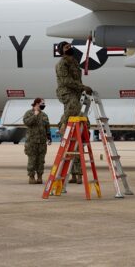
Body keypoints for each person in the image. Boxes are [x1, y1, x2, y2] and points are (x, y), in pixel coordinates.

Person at [55, 41, 92, 184]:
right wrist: (83, 87)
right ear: (61, 51)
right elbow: (66, 81)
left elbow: (77, 79)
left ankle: (72, 126)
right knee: (73, 106)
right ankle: (63, 125)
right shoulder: (61, 64)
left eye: (70, 46)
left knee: (79, 115)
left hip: (76, 92)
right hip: (66, 91)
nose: (69, 48)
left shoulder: (75, 62)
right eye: (66, 47)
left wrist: (81, 88)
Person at [23, 97, 51, 184]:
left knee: (41, 160)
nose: (43, 105)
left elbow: (47, 127)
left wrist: (49, 136)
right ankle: (31, 177)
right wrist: (34, 115)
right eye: (42, 103)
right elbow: (27, 122)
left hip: (42, 142)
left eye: (44, 104)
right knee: (32, 159)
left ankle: (39, 177)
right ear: (36, 103)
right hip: (32, 142)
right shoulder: (28, 113)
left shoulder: (44, 115)